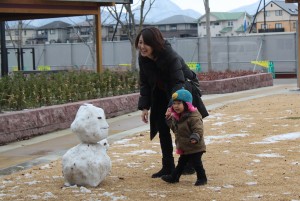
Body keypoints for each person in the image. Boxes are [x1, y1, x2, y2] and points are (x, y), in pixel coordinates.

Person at [135, 27, 209, 178]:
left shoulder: (170, 55)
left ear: (154, 43)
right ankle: (167, 166)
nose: (142, 46)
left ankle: (190, 163)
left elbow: (178, 82)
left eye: (146, 43)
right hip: (162, 93)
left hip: (183, 92)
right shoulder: (143, 58)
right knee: (162, 126)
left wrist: (172, 107)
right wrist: (144, 107)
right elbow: (145, 83)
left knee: (186, 127)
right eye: (140, 42)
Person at [162, 88, 207, 186]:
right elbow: (174, 129)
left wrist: (195, 137)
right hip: (185, 146)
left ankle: (202, 178)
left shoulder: (193, 117)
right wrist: (168, 119)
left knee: (197, 164)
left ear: (187, 104)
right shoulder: (177, 117)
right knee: (181, 164)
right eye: (174, 103)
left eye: (179, 103)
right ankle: (174, 177)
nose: (176, 106)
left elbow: (198, 129)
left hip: (195, 146)